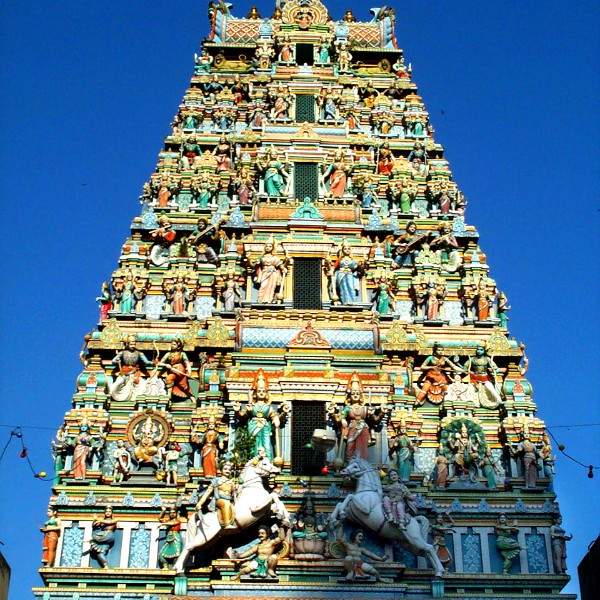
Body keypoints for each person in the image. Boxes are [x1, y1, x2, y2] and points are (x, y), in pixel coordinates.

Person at [329, 374, 386, 461]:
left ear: (360, 395)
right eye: (353, 393)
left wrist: (381, 413)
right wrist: (333, 414)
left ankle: (361, 465)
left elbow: (375, 421)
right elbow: (337, 421)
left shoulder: (365, 409)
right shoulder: (347, 408)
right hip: (352, 429)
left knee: (361, 448)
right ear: (349, 396)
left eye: (357, 393)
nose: (355, 395)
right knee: (350, 447)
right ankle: (350, 464)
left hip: (363, 429)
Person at [234, 370, 286, 460]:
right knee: (253, 445)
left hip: (265, 428)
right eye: (259, 391)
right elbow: (242, 417)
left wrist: (282, 414)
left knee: (266, 445)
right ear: (254, 394)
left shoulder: (268, 407)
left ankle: (267, 463)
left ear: (266, 394)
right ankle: (252, 463)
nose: (261, 393)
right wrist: (237, 411)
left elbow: (274, 417)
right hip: (253, 427)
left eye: (263, 391)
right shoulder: (252, 406)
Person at [109, 335, 153, 402]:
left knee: (142, 384)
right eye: (131, 344)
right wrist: (117, 361)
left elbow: (146, 362)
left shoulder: (139, 353)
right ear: (127, 344)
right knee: (119, 382)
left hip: (134, 373)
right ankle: (111, 393)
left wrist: (153, 363)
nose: (133, 345)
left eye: (134, 344)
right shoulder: (122, 353)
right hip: (124, 372)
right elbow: (113, 361)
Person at [197, 462, 238, 528]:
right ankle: (226, 524)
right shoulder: (216, 481)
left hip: (229, 500)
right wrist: (200, 503)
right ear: (221, 470)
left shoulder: (231, 482)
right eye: (225, 469)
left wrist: (236, 489)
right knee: (225, 503)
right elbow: (208, 492)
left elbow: (235, 495)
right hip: (219, 501)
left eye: (229, 470)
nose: (227, 471)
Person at [463, 345, 502, 409]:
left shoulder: (487, 359)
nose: (479, 351)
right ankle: (473, 403)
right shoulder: (472, 359)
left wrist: (495, 370)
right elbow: (465, 367)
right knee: (470, 390)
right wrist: (466, 370)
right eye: (478, 349)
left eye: (481, 350)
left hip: (485, 378)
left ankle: (497, 401)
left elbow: (496, 368)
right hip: (474, 378)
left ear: (484, 351)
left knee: (491, 389)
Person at [253, 237, 288, 304]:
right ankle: (260, 299)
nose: (268, 247)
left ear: (272, 248)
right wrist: (249, 259)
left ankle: (269, 300)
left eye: (270, 246)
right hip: (264, 273)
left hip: (273, 274)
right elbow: (254, 266)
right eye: (267, 246)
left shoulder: (275, 258)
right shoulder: (261, 257)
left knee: (271, 287)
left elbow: (282, 267)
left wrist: (286, 261)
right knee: (263, 286)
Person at [330, 239, 362, 305]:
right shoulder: (340, 260)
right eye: (345, 249)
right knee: (343, 287)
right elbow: (334, 267)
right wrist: (331, 270)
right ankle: (345, 301)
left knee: (351, 287)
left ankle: (353, 301)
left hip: (350, 274)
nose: (347, 250)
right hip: (341, 274)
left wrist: (360, 265)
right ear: (342, 250)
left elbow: (357, 267)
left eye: (348, 249)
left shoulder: (353, 260)